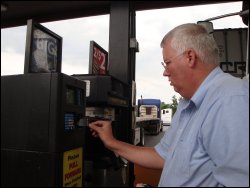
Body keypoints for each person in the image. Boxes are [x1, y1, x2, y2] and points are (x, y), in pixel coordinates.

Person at [89, 23, 249, 187]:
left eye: (167, 62)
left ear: (190, 57)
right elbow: (162, 156)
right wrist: (111, 142)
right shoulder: (188, 103)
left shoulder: (231, 100)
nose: (165, 72)